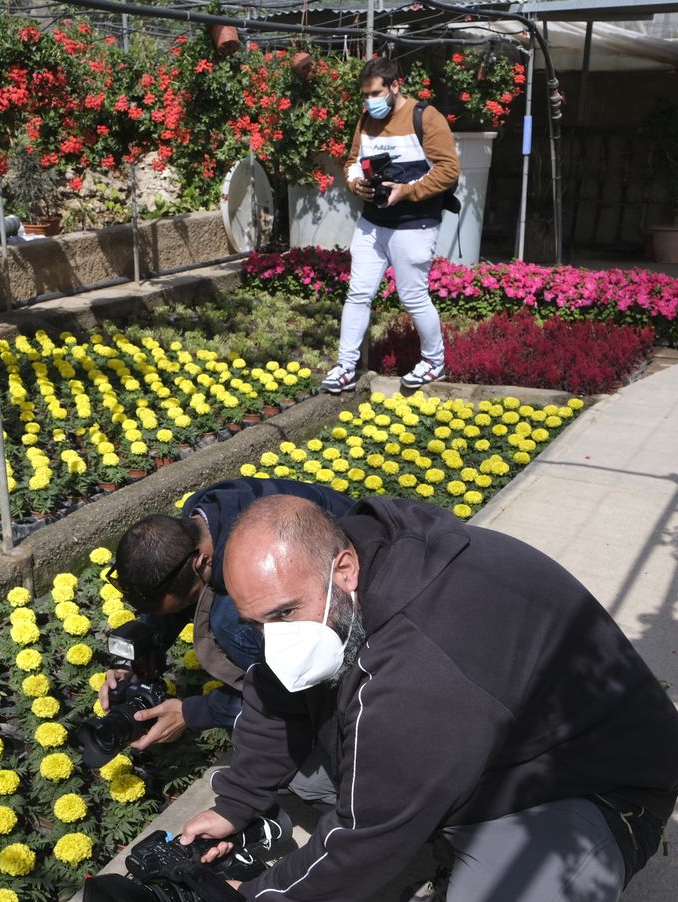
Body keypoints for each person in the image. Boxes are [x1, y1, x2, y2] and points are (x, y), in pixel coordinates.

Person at [176, 495, 678, 902]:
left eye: (282, 615)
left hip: (591, 782)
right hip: (491, 736)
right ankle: (458, 841)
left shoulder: (419, 667)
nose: (274, 640)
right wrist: (236, 804)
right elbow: (273, 696)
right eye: (257, 622)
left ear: (343, 569)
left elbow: (364, 835)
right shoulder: (342, 569)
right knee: (312, 774)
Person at [101, 478, 353, 750]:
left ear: (201, 563)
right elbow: (178, 588)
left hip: (356, 626)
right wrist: (132, 660)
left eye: (176, 605)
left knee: (226, 622)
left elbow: (288, 693)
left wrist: (193, 712)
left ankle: (323, 734)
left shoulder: (261, 562)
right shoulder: (201, 520)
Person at [322, 56, 460, 396]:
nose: (370, 100)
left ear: (395, 85)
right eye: (365, 94)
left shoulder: (425, 117)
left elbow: (447, 169)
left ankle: (434, 361)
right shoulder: (366, 120)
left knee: (412, 296)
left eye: (376, 92)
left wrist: (408, 191)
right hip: (373, 221)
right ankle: (346, 366)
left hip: (415, 222)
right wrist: (357, 185)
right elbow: (352, 161)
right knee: (358, 293)